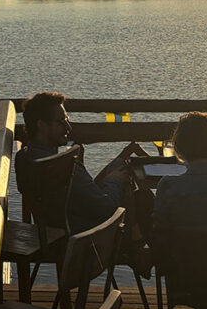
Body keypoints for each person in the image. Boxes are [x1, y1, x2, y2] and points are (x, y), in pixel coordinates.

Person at [20, 91, 139, 232]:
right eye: (61, 122)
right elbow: (107, 209)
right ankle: (135, 246)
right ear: (42, 125)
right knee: (137, 193)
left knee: (118, 165)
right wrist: (115, 181)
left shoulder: (25, 157)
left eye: (67, 120)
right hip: (87, 237)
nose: (68, 128)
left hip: (53, 232)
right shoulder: (63, 165)